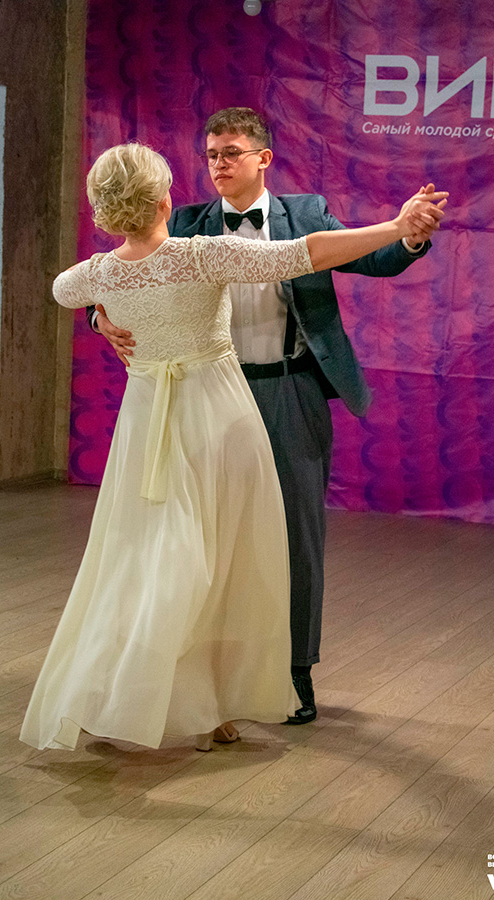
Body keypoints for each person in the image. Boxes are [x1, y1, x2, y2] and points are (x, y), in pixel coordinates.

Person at [88, 110, 447, 727]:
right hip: (205, 396)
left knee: (295, 534)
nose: (218, 164)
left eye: (231, 152)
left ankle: (294, 670)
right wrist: (102, 318)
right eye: (211, 154)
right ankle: (208, 675)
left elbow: (375, 259)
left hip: (289, 390)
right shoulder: (186, 224)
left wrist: (408, 233)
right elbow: (116, 274)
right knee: (201, 538)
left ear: (264, 158)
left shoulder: (306, 215)